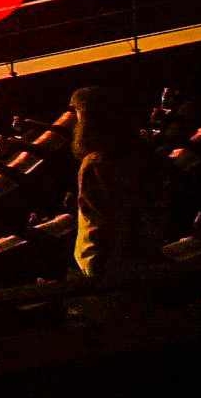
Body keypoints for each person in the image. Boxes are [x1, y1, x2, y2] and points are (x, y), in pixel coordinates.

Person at [71, 86, 168, 282]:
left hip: (104, 260)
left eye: (78, 112)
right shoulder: (140, 152)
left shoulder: (95, 163)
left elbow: (102, 218)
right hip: (142, 251)